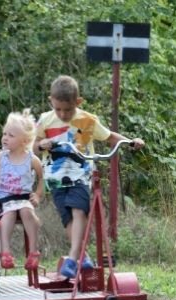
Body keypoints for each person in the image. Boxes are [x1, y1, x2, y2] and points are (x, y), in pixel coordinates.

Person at [34, 75, 145, 279]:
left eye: (67, 110)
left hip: (80, 175)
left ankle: (72, 258)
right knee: (68, 218)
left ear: (78, 102)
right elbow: (34, 144)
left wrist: (130, 142)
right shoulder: (45, 120)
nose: (63, 114)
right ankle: (82, 257)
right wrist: (42, 144)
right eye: (58, 109)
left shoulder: (88, 120)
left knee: (79, 211)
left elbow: (110, 136)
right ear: (51, 101)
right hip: (55, 177)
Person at [0, 110, 44, 270]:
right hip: (6, 200)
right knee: (9, 214)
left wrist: (38, 195)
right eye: (5, 134)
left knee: (27, 212)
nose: (5, 138)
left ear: (25, 140)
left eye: (11, 135)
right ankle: (5, 252)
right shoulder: (0, 157)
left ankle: (34, 252)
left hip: (23, 198)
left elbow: (43, 178)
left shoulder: (32, 159)